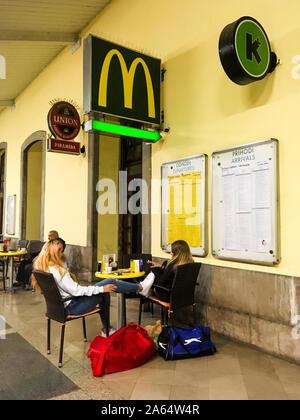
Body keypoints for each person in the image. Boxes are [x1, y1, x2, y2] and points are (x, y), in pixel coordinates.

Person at [32, 239, 154, 335]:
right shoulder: (59, 272)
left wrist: (62, 261)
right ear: (53, 253)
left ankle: (107, 329)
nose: (62, 253)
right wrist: (101, 289)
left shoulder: (44, 269)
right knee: (109, 283)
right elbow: (77, 291)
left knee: (105, 288)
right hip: (72, 307)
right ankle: (141, 288)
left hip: (58, 308)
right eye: (60, 251)